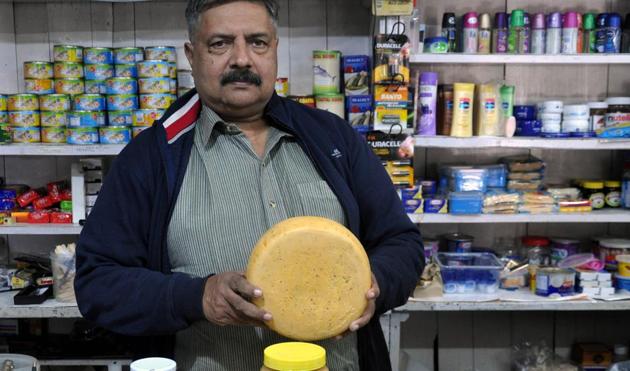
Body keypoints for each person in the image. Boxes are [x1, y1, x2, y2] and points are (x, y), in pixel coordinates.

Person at [74, 0, 423, 370]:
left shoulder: (332, 139)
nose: (241, 59)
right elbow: (99, 283)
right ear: (192, 56)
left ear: (274, 49)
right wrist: (197, 297)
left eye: (257, 42)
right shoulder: (151, 157)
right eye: (220, 44)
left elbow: (403, 244)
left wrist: (373, 285)